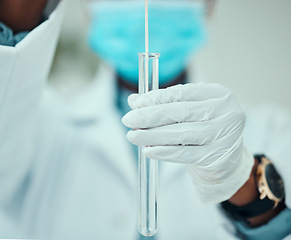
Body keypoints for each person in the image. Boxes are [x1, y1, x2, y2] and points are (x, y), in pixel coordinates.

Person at [0, 0, 290, 239]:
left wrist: (239, 177)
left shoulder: (271, 129)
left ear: (209, 5)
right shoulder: (39, 124)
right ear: (88, 7)